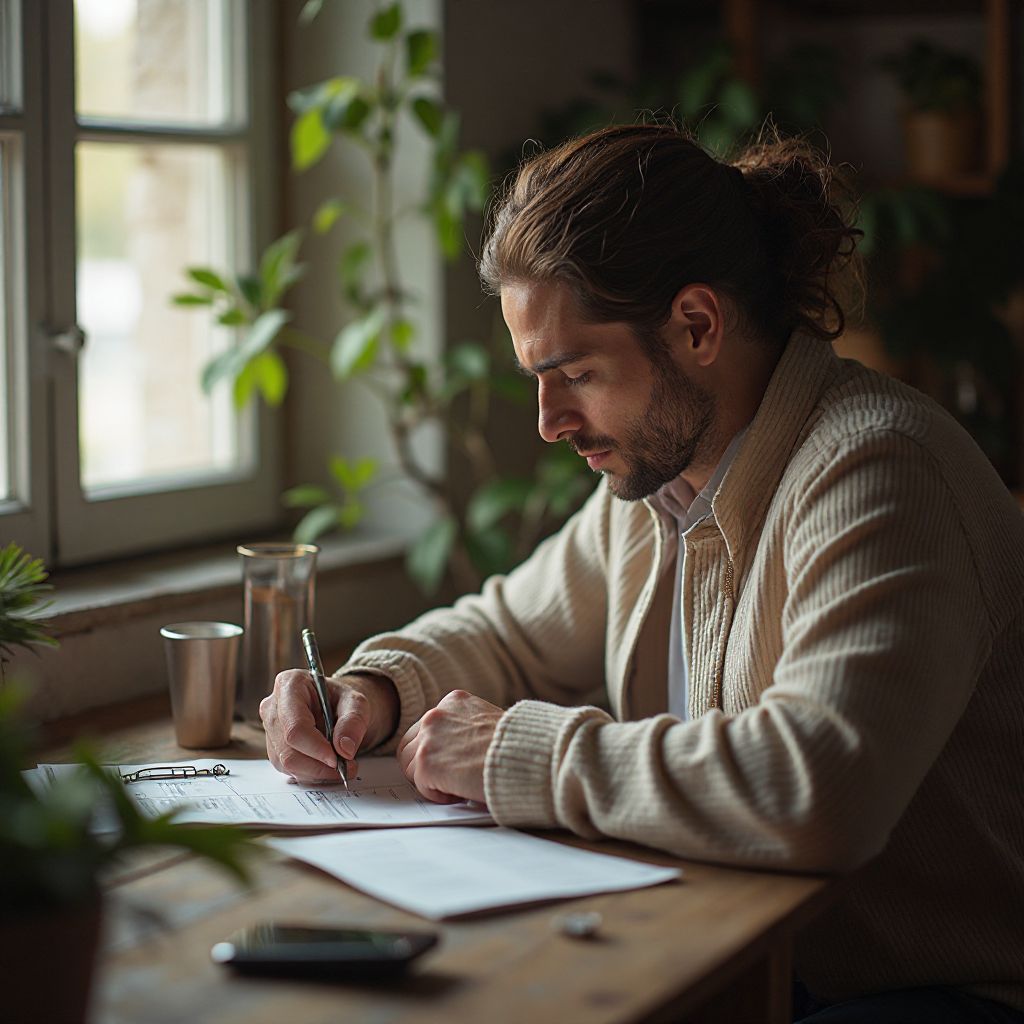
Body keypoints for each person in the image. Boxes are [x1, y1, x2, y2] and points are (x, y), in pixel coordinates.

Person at [260, 123, 1024, 1023]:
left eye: (575, 372)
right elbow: (510, 634)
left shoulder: (881, 472)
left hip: (930, 994)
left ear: (697, 325)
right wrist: (374, 687)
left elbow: (818, 790)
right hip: (740, 947)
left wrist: (516, 752)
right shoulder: (659, 480)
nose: (548, 421)